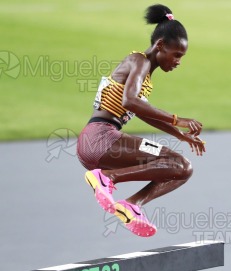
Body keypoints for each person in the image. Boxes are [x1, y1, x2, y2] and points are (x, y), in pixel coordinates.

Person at [77, 4, 205, 237]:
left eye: (182, 57)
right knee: (177, 163)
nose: (178, 61)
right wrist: (178, 120)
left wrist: (180, 136)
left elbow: (142, 111)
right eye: (176, 54)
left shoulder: (145, 74)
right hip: (101, 138)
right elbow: (130, 102)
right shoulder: (139, 60)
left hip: (98, 143)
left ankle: (132, 205)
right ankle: (107, 177)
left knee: (181, 168)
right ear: (160, 46)